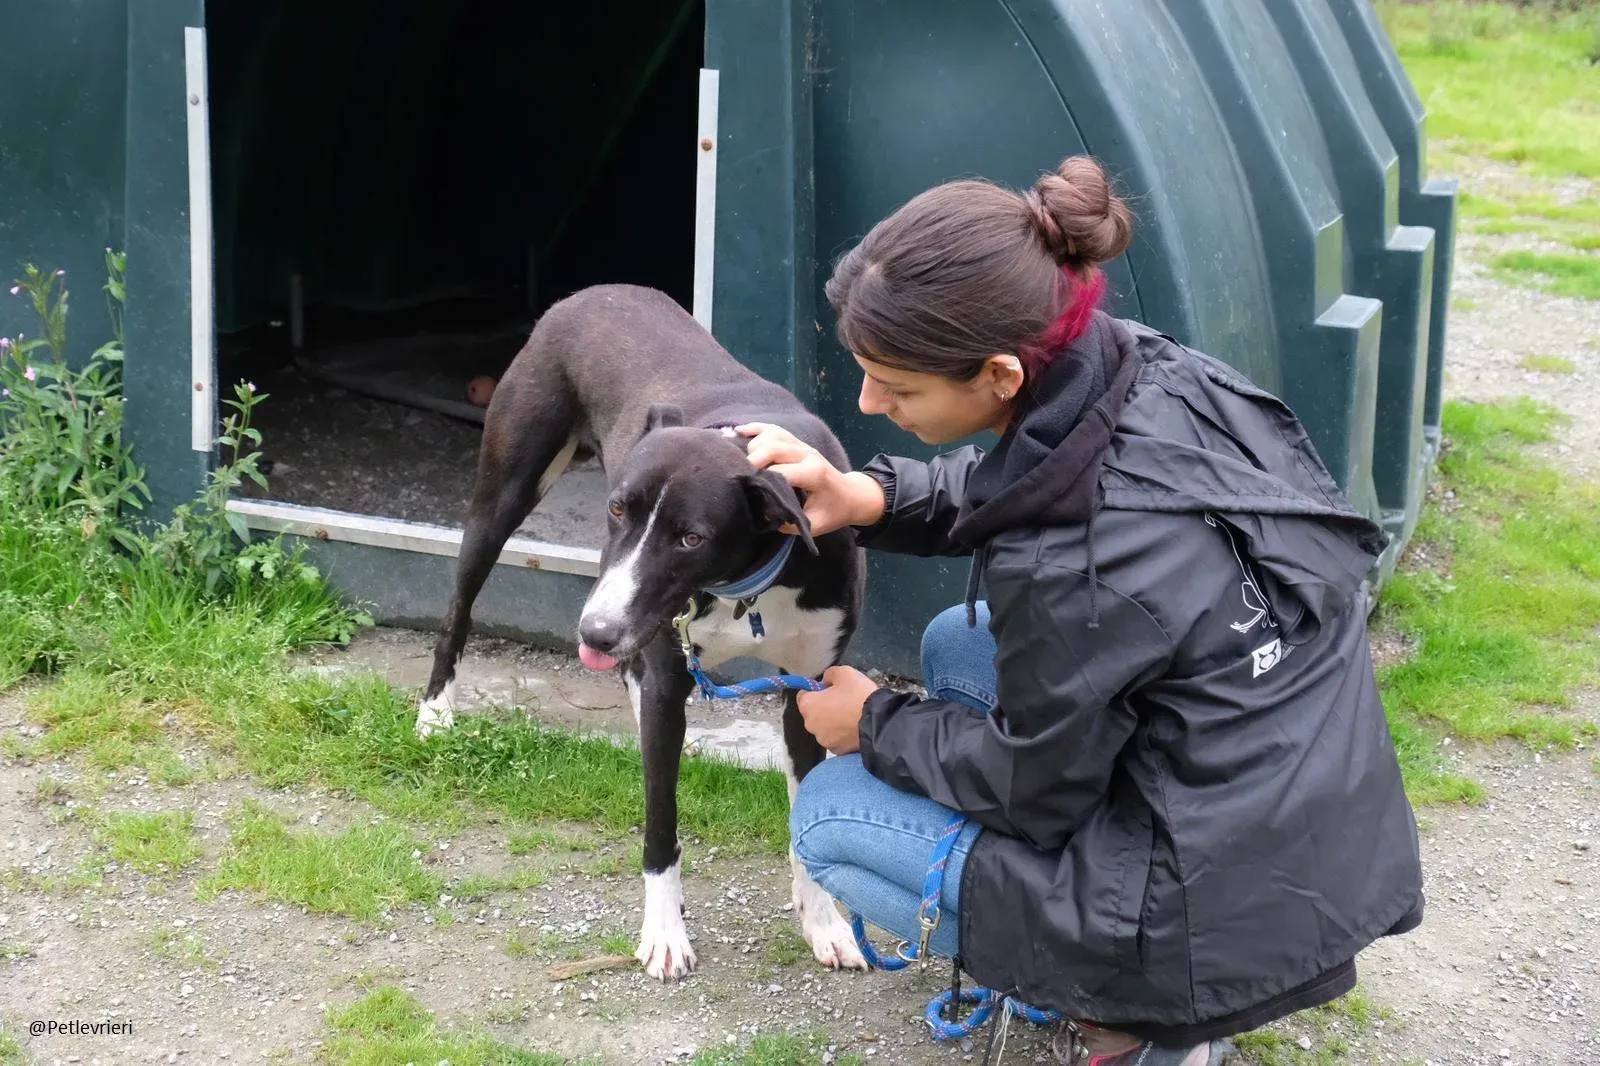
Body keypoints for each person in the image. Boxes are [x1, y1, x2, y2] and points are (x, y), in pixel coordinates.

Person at [736, 155, 1424, 1066]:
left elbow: (1032, 789)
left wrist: (873, 722)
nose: (868, 403)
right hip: (1307, 833)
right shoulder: (1146, 365)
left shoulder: (1079, 567)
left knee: (831, 815)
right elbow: (1031, 478)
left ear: (1000, 373)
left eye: (897, 388)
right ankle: (1132, 982)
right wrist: (870, 496)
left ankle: (1146, 1028)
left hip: (1205, 929)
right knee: (958, 642)